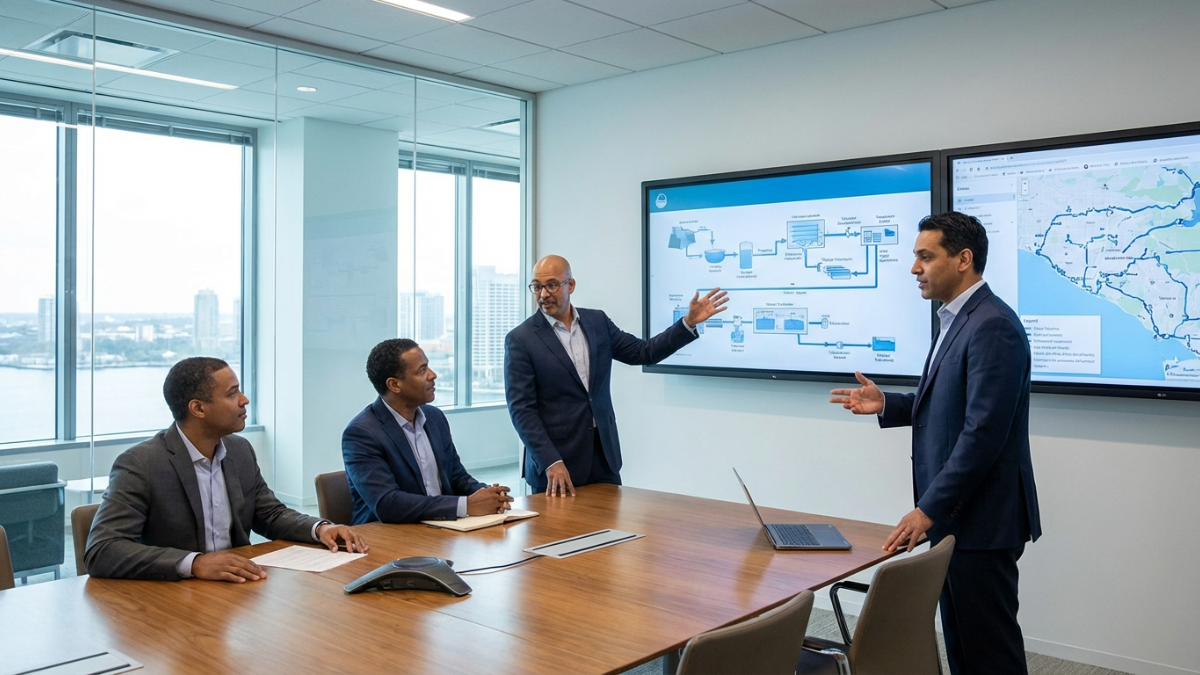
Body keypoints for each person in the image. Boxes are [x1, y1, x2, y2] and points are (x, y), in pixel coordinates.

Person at [830, 211, 1041, 675]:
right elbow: (949, 405)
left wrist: (927, 510)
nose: (914, 268)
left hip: (980, 520)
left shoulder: (993, 325)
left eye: (925, 257)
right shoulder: (957, 318)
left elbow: (983, 432)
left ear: (963, 259)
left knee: (990, 654)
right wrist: (888, 403)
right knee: (964, 647)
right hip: (957, 517)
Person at [86, 357, 367, 583]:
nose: (244, 400)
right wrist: (194, 563)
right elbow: (103, 550)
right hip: (173, 597)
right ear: (198, 408)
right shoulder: (141, 463)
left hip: (236, 590)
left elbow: (270, 515)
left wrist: (320, 528)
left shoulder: (239, 450)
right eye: (232, 393)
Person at [505, 254, 728, 496]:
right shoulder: (521, 339)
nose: (543, 294)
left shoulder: (597, 322)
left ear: (571, 285)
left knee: (612, 522)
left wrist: (687, 323)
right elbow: (521, 410)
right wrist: (550, 461)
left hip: (603, 459)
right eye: (537, 287)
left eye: (551, 285)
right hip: (556, 467)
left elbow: (644, 352)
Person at [342, 339, 512, 524]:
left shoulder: (434, 417)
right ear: (394, 385)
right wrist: (466, 505)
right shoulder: (362, 433)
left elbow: (456, 477)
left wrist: (489, 495)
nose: (433, 375)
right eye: (422, 370)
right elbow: (388, 504)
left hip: (441, 529)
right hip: (386, 535)